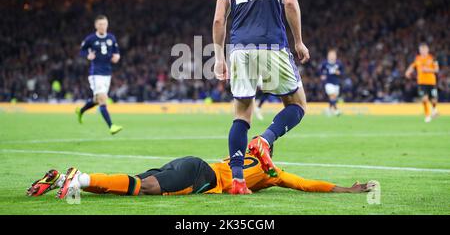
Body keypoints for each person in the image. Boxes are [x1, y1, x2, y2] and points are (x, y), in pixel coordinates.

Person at [212, 0, 309, 194]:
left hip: (239, 48)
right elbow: (290, 3)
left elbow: (220, 19)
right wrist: (298, 40)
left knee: (242, 113)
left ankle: (238, 181)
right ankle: (265, 140)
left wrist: (219, 57)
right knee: (297, 103)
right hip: (271, 43)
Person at [27, 143, 375, 198]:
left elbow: (304, 183)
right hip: (198, 176)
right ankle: (80, 177)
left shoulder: (239, 154)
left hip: (192, 164)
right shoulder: (273, 173)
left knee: (129, 186)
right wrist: (346, 189)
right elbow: (305, 183)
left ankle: (65, 180)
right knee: (143, 188)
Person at [75, 15, 123, 134]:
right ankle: (111, 126)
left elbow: (116, 53)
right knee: (103, 99)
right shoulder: (91, 39)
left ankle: (81, 110)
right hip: (96, 73)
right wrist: (87, 55)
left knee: (97, 100)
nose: (103, 26)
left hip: (107, 73)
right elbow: (82, 50)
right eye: (100, 24)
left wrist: (117, 57)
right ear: (96, 25)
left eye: (105, 24)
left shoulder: (111, 38)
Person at [405, 43, 439, 122]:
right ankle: (427, 115)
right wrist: (408, 71)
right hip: (421, 82)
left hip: (431, 82)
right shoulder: (418, 58)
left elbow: (437, 70)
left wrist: (428, 70)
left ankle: (434, 109)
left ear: (427, 50)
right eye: (421, 50)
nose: (423, 51)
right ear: (419, 51)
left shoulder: (432, 58)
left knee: (434, 100)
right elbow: (413, 65)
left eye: (424, 49)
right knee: (424, 99)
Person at [320, 49, 344, 116]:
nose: (332, 56)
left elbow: (342, 72)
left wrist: (339, 73)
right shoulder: (325, 63)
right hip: (328, 83)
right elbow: (320, 70)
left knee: (334, 97)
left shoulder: (339, 63)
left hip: (336, 83)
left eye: (333, 55)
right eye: (330, 55)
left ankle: (329, 110)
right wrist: (322, 75)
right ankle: (336, 110)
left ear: (336, 56)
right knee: (332, 95)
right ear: (328, 56)